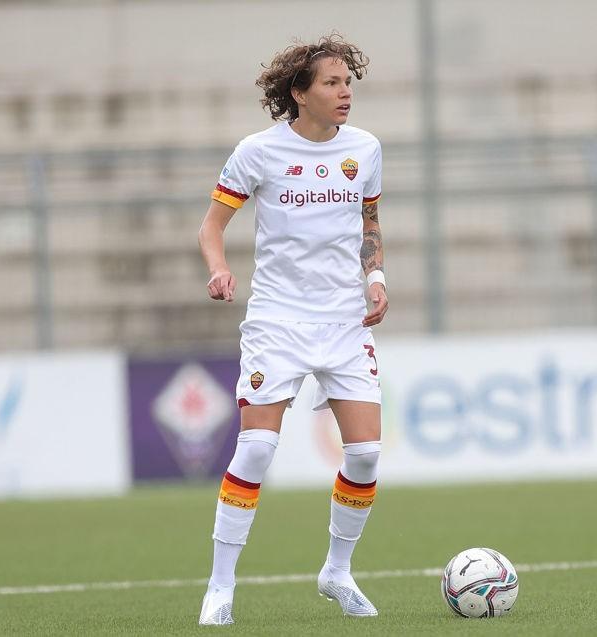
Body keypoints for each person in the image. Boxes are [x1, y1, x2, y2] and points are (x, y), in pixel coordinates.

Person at [195, 33, 388, 626]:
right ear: (298, 92)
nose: (344, 93)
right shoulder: (258, 152)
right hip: (277, 321)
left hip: (343, 321)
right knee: (256, 447)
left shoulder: (365, 149)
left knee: (364, 455)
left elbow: (370, 224)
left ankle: (336, 571)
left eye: (347, 83)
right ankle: (220, 586)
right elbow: (210, 227)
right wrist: (220, 270)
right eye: (331, 83)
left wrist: (376, 276)